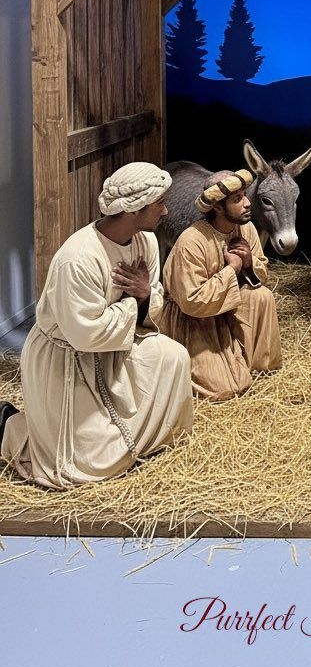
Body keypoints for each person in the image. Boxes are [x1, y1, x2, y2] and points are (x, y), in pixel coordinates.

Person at [0, 164, 193, 489]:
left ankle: (143, 439)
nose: (165, 210)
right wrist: (134, 302)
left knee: (174, 358)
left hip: (118, 347)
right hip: (69, 362)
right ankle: (10, 427)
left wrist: (145, 295)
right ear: (134, 209)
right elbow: (86, 334)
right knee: (89, 468)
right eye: (159, 202)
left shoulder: (145, 242)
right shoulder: (78, 259)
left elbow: (154, 298)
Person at [160, 168, 282, 401]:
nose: (247, 203)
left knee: (261, 295)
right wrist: (231, 269)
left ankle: (252, 363)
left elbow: (261, 274)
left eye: (245, 195)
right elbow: (192, 302)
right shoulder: (192, 241)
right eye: (238, 199)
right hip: (195, 320)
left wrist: (249, 262)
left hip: (224, 308)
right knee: (223, 390)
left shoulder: (246, 228)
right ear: (217, 207)